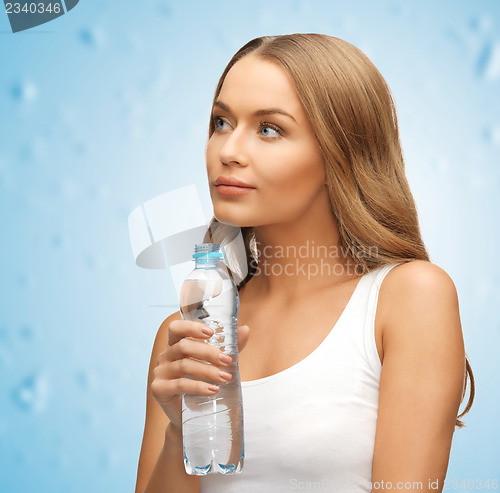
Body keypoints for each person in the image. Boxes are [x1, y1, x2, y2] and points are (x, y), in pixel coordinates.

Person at [135, 34, 475, 493]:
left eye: (269, 129)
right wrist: (182, 430)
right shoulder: (186, 335)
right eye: (220, 122)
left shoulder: (408, 299)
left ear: (341, 151)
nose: (228, 150)